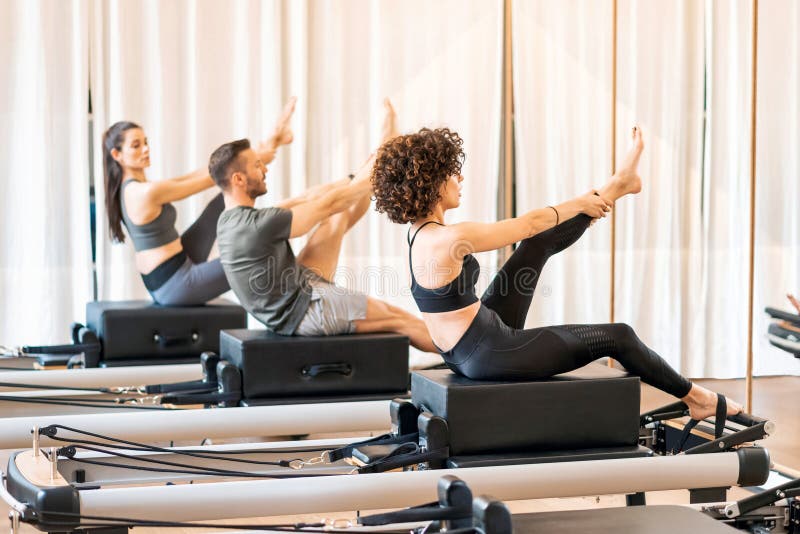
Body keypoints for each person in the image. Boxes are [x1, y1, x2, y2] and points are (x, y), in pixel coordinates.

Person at [370, 125, 742, 420]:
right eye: (453, 173)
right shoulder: (450, 238)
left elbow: (533, 236)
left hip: (471, 342)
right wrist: (579, 202)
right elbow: (529, 222)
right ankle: (699, 398)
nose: (460, 180)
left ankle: (617, 185)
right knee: (620, 337)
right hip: (489, 353)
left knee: (535, 248)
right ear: (433, 182)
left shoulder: (419, 234)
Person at [212, 100, 437, 352]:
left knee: (337, 216)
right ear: (238, 179)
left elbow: (310, 197)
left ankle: (383, 149)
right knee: (399, 319)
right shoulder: (259, 224)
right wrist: (386, 160)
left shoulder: (230, 220)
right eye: (257, 165)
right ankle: (467, 359)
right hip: (302, 311)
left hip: (294, 291)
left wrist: (362, 172)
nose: (264, 169)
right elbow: (329, 203)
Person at [102, 98, 296, 305]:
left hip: (175, 264)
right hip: (174, 283)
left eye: (146, 142)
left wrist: (264, 150)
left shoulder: (138, 187)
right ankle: (297, 303)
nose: (146, 149)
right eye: (136, 145)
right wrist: (263, 152)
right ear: (117, 155)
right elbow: (211, 177)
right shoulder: (143, 192)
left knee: (223, 198)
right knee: (255, 253)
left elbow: (195, 175)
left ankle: (248, 228)